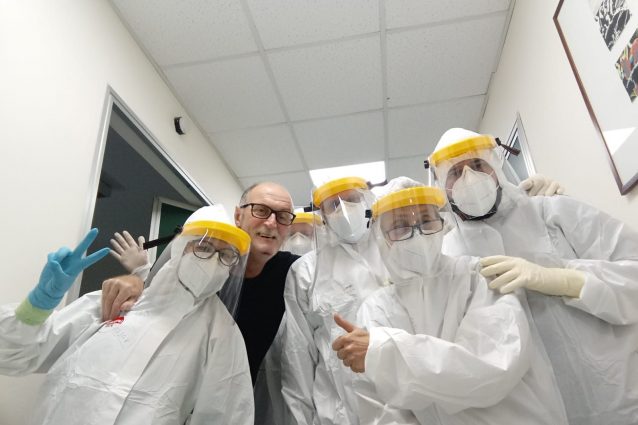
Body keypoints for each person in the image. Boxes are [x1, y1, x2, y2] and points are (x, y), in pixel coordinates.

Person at [427, 128, 638, 425]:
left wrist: (566, 279)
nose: (469, 179)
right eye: (455, 173)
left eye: (477, 165)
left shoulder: (552, 210)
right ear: (442, 187)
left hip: (615, 396)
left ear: (496, 166)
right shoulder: (448, 255)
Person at [331, 177, 569, 424]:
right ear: (380, 237)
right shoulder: (375, 310)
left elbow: (490, 369)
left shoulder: (479, 276)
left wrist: (386, 352)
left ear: (442, 224)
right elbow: (380, 407)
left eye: (426, 221)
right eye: (400, 226)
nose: (417, 234)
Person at [0, 206, 255, 424]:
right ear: (179, 249)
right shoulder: (115, 300)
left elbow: (227, 417)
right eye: (203, 247)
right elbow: (14, 356)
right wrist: (38, 304)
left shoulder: (222, 336)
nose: (213, 261)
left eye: (227, 255)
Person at [281, 176, 389, 425]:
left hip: (402, 403)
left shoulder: (393, 249)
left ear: (367, 201)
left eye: (351, 200)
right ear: (323, 216)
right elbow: (298, 354)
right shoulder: (307, 270)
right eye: (333, 205)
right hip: (337, 412)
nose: (344, 209)